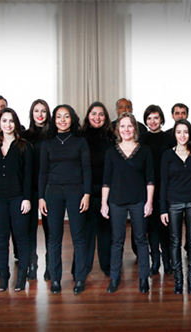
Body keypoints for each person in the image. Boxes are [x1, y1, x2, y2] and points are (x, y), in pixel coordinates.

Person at [39, 104, 91, 294]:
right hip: (52, 192)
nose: (62, 120)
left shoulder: (80, 141)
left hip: (76, 191)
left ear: (72, 119)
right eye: (59, 116)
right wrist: (40, 197)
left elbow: (87, 169)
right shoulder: (48, 142)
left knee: (78, 235)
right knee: (54, 236)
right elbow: (43, 172)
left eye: (66, 116)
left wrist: (86, 194)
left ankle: (79, 278)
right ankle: (55, 279)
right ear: (54, 120)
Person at [101, 112, 154, 294]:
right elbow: (106, 180)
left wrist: (149, 202)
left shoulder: (145, 151)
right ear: (118, 129)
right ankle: (115, 277)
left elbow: (150, 179)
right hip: (116, 201)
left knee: (140, 239)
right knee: (117, 241)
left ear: (135, 128)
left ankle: (143, 278)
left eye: (129, 126)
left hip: (139, 200)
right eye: (122, 126)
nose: (126, 129)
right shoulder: (111, 151)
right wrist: (104, 203)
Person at [0, 108, 32, 292]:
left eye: (11, 121)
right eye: (4, 121)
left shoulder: (24, 146)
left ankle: (21, 278)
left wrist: (26, 198)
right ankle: (4, 277)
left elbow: (28, 176)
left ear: (16, 124)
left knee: (21, 239)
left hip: (18, 198)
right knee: (1, 239)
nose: (8, 124)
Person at [160, 119, 191, 294]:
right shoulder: (167, 155)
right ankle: (178, 280)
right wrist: (163, 209)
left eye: (186, 132)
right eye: (179, 132)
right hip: (173, 203)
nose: (182, 135)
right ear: (174, 134)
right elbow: (164, 183)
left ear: (190, 134)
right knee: (175, 241)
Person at [76, 101, 115, 278]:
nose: (97, 117)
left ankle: (108, 267)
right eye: (93, 114)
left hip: (108, 192)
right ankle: (82, 270)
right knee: (85, 234)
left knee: (107, 232)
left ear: (105, 117)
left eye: (101, 114)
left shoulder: (113, 138)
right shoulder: (80, 136)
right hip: (85, 192)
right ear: (88, 116)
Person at [140, 105, 174, 275]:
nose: (152, 121)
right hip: (146, 187)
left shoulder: (169, 138)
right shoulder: (141, 138)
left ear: (161, 119)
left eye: (155, 117)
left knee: (165, 226)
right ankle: (155, 261)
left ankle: (167, 262)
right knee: (151, 227)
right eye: (149, 118)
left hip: (165, 186)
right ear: (145, 121)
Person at [22, 99, 52, 280]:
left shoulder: (52, 135)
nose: (40, 115)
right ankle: (32, 264)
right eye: (36, 111)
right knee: (30, 228)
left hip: (49, 188)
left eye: (43, 111)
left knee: (50, 228)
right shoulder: (25, 136)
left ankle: (50, 264)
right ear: (32, 114)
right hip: (30, 188)